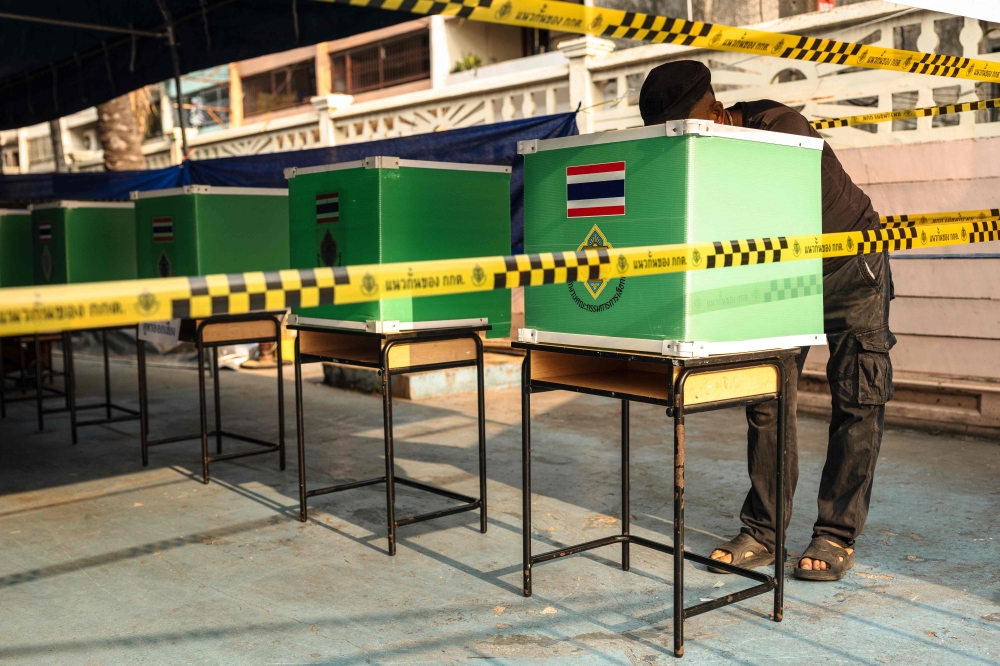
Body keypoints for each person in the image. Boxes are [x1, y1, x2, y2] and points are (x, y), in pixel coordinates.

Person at [638, 60, 895, 581]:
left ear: (714, 109)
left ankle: (836, 534)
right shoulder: (701, 155)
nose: (685, 144)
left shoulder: (781, 130)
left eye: (691, 129)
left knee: (857, 397)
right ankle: (764, 531)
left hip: (851, 266)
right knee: (768, 397)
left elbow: (766, 222)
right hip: (783, 271)